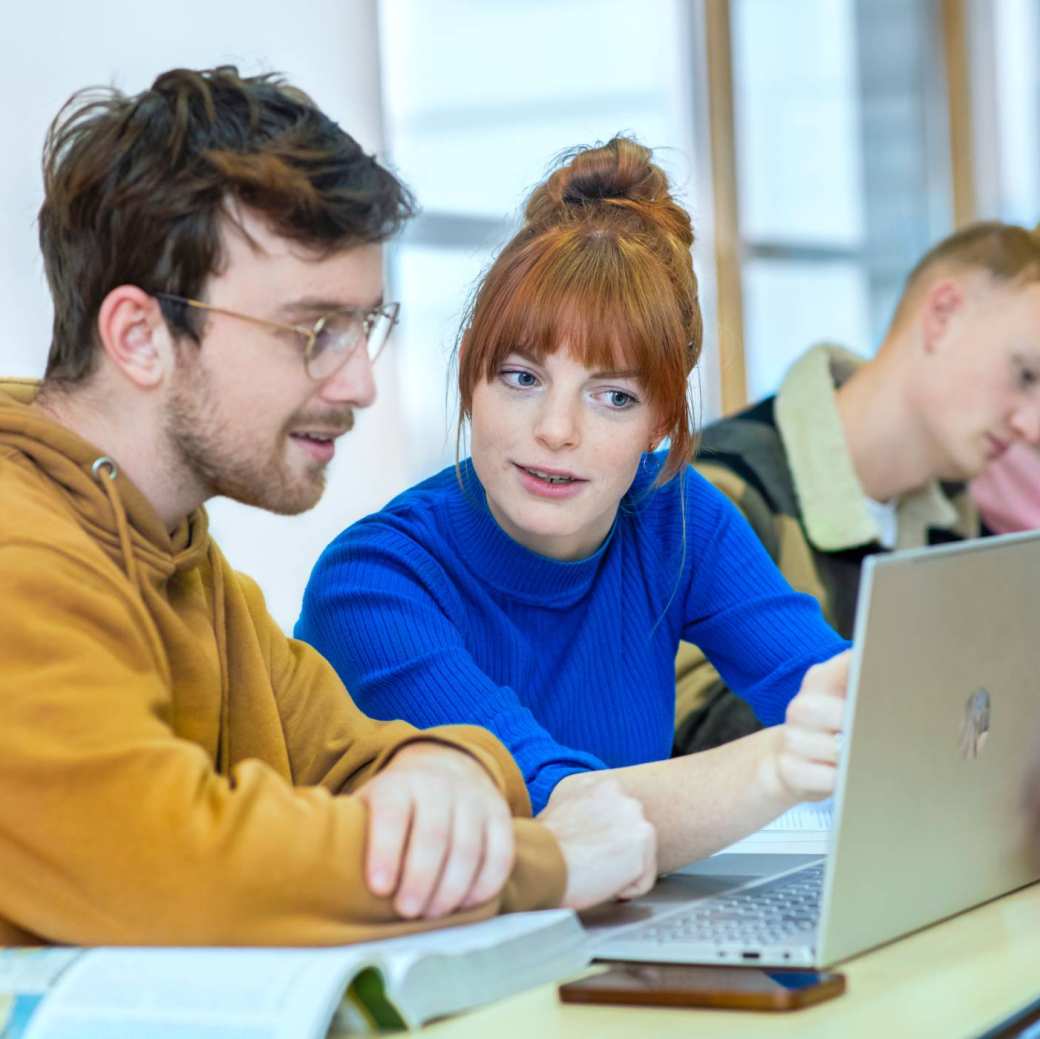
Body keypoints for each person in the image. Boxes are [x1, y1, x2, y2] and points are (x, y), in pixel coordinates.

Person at [0, 67, 657, 947]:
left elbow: (365, 751)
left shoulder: (177, 554)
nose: (358, 384)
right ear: (139, 337)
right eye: (314, 331)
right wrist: (545, 865)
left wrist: (445, 766)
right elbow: (178, 872)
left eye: (363, 328)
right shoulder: (22, 553)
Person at [297, 136, 851, 878]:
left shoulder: (674, 517)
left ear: (660, 422)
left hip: (615, 945)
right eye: (522, 377)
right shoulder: (371, 584)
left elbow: (837, 688)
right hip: (441, 974)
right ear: (472, 381)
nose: (556, 430)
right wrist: (780, 765)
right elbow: (566, 814)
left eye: (613, 396)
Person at [672, 221, 1040, 753]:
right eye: (1026, 375)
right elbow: (690, 732)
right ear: (942, 316)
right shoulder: (716, 491)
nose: (1033, 426)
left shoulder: (962, 518)